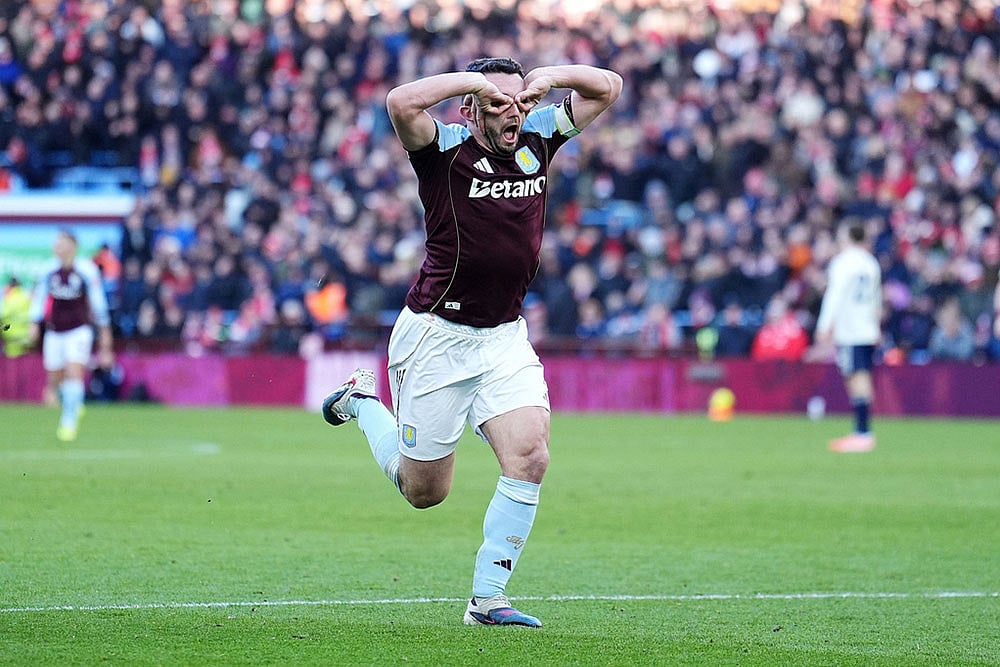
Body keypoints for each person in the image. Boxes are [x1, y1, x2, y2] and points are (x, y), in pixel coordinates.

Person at [321, 56, 622, 627]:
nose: (514, 113)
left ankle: (487, 599)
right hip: (436, 335)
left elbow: (609, 88)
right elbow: (399, 101)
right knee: (423, 491)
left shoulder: (539, 136)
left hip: (504, 336)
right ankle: (362, 403)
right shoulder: (443, 150)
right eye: (498, 103)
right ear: (470, 108)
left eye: (520, 102)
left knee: (530, 454)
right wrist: (476, 85)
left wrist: (550, 78)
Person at [28, 229, 114, 441]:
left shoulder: (86, 270)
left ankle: (69, 421)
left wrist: (104, 336)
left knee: (74, 371)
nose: (57, 247)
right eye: (56, 244)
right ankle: (74, 402)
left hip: (79, 330)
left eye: (61, 243)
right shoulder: (48, 270)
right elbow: (39, 298)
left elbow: (98, 303)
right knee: (55, 379)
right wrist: (33, 323)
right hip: (54, 331)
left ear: (72, 246)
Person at [815, 219, 882, 453]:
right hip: (866, 328)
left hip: (851, 330)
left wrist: (825, 324)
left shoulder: (843, 263)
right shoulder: (871, 264)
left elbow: (834, 295)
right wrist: (876, 325)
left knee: (857, 377)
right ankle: (861, 430)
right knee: (859, 376)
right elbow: (876, 299)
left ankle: (863, 432)